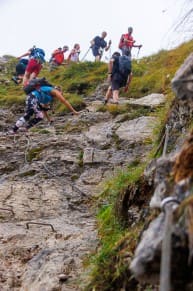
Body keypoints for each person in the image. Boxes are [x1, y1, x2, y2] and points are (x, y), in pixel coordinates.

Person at [10, 81, 79, 134]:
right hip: (32, 98)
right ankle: (14, 130)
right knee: (28, 115)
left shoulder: (48, 97)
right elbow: (64, 101)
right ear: (59, 90)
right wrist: (74, 111)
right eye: (61, 93)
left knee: (39, 116)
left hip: (33, 100)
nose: (60, 95)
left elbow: (44, 110)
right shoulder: (54, 91)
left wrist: (49, 120)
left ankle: (24, 128)